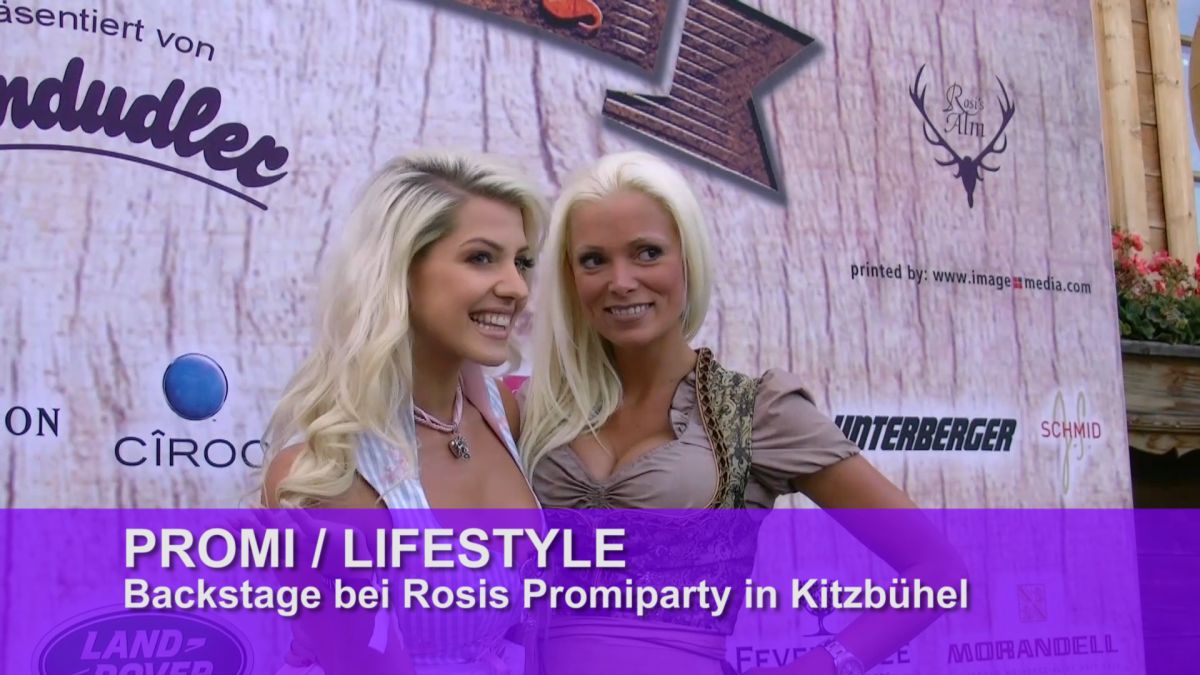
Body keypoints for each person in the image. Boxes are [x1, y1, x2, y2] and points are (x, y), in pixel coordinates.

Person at [518, 151, 965, 675]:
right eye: (594, 260)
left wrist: (821, 665)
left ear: (689, 261)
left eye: (647, 253)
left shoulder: (757, 410)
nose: (621, 281)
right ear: (570, 277)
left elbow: (938, 571)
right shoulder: (530, 409)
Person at [260, 150, 546, 675]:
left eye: (521, 262)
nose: (517, 288)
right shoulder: (326, 477)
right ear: (401, 271)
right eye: (482, 258)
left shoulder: (500, 411)